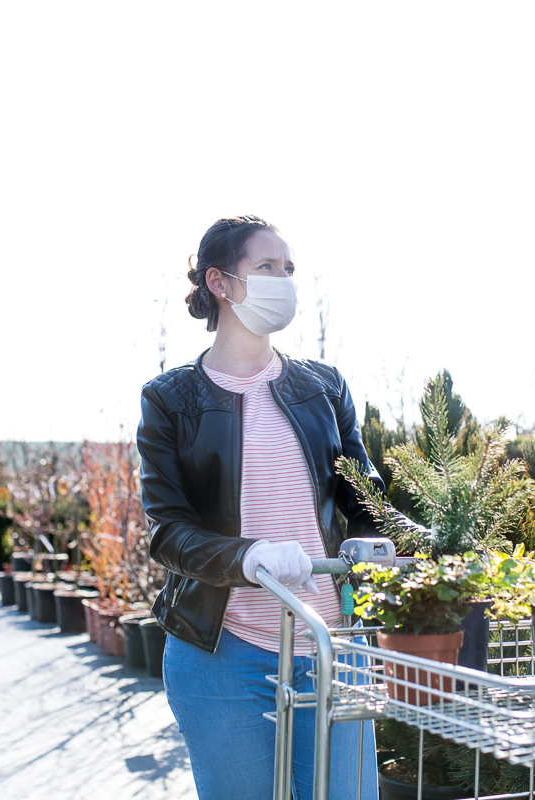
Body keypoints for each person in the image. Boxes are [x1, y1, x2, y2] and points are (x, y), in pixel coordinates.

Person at [136, 215, 384, 799]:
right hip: (224, 652)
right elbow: (167, 531)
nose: (284, 280)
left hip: (332, 644)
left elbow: (365, 494)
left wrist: (374, 536)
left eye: (289, 269)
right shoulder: (171, 400)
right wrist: (248, 557)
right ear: (220, 283)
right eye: (267, 267)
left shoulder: (323, 388)